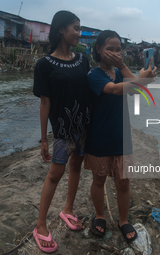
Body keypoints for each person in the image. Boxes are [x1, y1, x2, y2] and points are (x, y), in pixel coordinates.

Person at [84, 30, 157, 243]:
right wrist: (141, 81)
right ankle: (100, 215)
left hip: (122, 138)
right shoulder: (93, 75)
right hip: (99, 138)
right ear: (98, 49)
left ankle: (123, 220)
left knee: (123, 182)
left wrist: (132, 72)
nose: (115, 53)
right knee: (99, 180)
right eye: (110, 49)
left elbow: (136, 89)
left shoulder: (119, 71)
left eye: (118, 49)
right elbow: (116, 90)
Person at [32, 10, 91, 253]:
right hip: (63, 130)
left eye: (80, 28)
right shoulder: (44, 65)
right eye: (75, 28)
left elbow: (89, 90)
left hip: (84, 126)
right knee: (55, 174)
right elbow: (45, 102)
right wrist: (44, 137)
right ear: (61, 30)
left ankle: (67, 209)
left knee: (76, 166)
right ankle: (40, 225)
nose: (79, 32)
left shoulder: (83, 59)